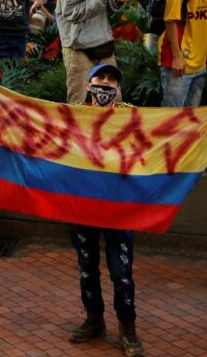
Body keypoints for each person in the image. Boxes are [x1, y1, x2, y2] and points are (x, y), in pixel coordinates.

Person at [68, 63, 143, 357]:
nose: (106, 82)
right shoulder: (72, 114)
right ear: (88, 85)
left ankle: (128, 327)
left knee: (121, 270)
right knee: (87, 268)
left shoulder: (134, 115)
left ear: (119, 89)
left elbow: (170, 129)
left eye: (113, 79)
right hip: (82, 204)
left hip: (119, 206)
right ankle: (94, 319)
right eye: (100, 77)